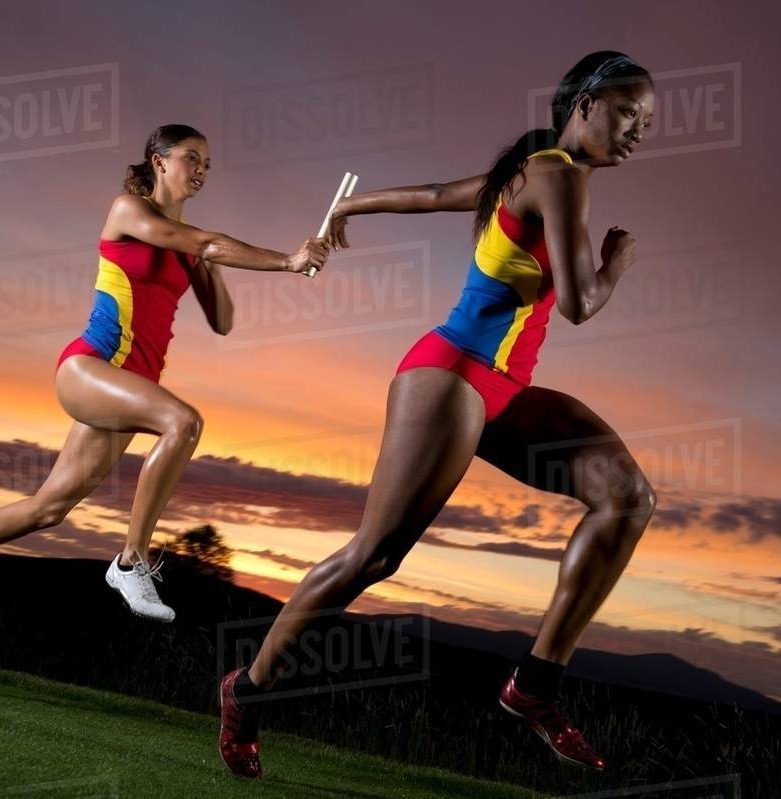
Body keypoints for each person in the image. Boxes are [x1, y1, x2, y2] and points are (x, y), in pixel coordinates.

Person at [219, 52, 657, 778]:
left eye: (646, 121)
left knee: (626, 497)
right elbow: (580, 303)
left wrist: (353, 206)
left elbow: (433, 194)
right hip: (451, 375)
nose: (638, 130)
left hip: (506, 388)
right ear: (583, 104)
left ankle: (534, 685)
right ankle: (247, 687)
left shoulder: (532, 168)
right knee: (374, 556)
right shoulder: (561, 176)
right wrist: (618, 262)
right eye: (627, 112)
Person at [0, 124, 330, 622]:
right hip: (90, 366)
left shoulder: (189, 245)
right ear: (158, 161)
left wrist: (205, 262)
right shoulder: (128, 211)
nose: (201, 170)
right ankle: (131, 561)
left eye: (208, 164)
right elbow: (211, 243)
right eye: (191, 158)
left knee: (49, 509)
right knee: (183, 423)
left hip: (128, 389)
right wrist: (287, 260)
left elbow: (222, 321)